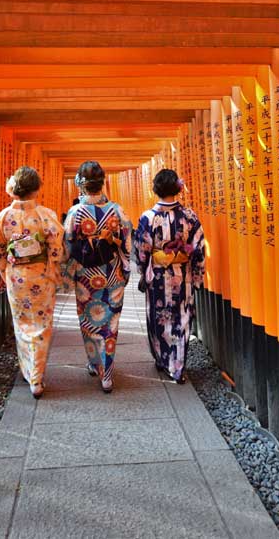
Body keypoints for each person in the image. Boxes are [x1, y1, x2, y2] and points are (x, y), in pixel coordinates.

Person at [0, 166, 66, 398]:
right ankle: (36, 377)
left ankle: (30, 372)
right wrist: (53, 268)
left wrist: (5, 270)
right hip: (42, 275)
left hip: (17, 277)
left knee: (22, 324)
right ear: (37, 188)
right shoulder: (45, 215)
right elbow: (56, 243)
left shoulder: (5, 216)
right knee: (42, 325)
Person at [63, 161, 132, 392]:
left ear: (81, 185)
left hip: (85, 277)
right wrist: (127, 269)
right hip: (112, 275)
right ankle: (107, 373)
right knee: (110, 324)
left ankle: (95, 363)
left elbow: (68, 245)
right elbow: (127, 243)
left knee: (89, 321)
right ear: (103, 183)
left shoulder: (75, 212)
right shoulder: (117, 210)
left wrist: (66, 275)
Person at [134, 169, 206, 384]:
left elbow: (142, 249)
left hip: (157, 276)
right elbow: (199, 248)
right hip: (182, 276)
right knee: (181, 318)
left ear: (155, 189)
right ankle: (178, 364)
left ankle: (163, 358)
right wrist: (197, 275)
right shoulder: (190, 216)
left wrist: (142, 270)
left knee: (159, 318)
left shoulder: (148, 218)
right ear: (178, 188)